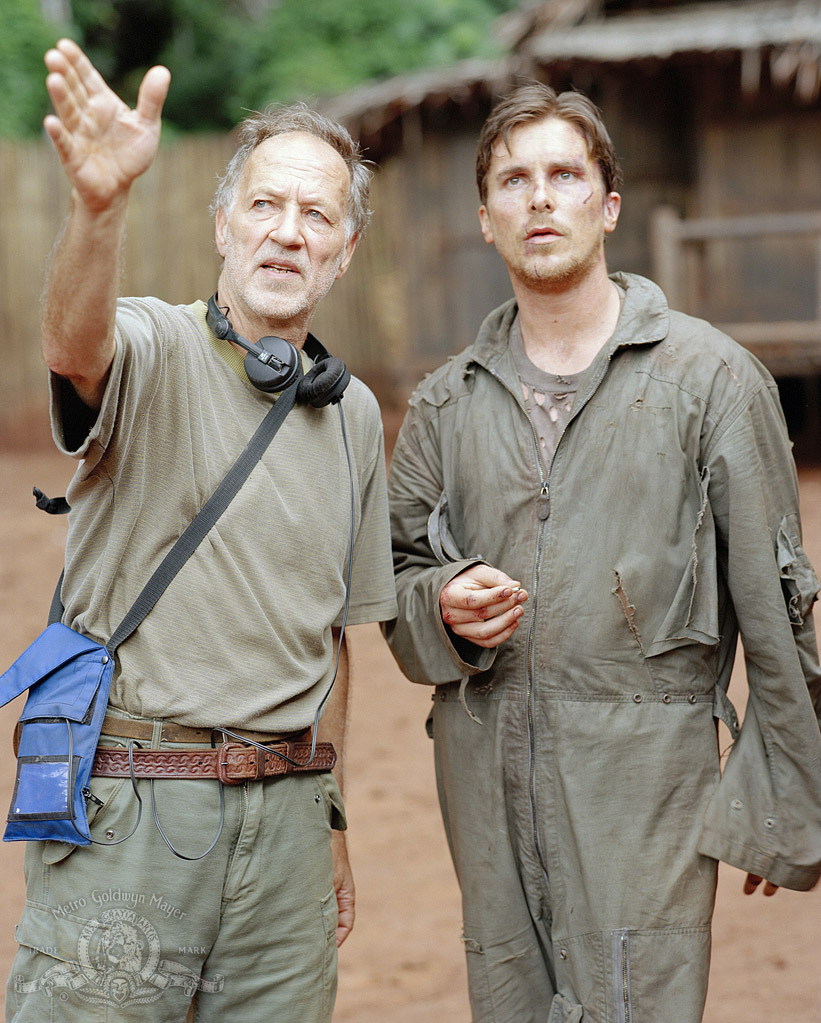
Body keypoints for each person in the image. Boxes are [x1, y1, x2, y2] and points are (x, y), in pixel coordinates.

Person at [383, 82, 821, 1023]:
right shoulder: (442, 406)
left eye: (564, 175)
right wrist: (444, 604)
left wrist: (782, 794)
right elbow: (396, 581)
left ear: (607, 205)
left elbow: (777, 601)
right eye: (513, 181)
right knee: (505, 999)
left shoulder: (709, 380)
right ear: (487, 218)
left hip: (645, 777)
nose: (539, 198)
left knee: (636, 1001)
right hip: (481, 772)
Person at [5, 38, 396, 1023]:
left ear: (344, 252)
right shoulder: (152, 346)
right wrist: (99, 209)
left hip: (289, 835)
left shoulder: (349, 416)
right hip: (132, 815)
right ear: (223, 226)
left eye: (317, 215)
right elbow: (75, 343)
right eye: (264, 205)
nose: (286, 233)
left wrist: (333, 817)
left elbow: (333, 640)